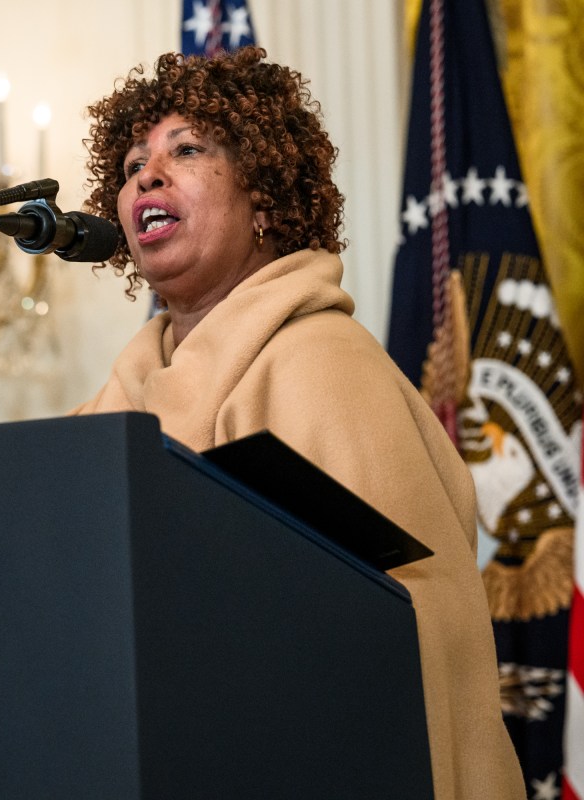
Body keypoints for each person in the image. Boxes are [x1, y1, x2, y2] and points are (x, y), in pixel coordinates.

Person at [72, 48, 522, 799]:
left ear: (267, 200)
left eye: (186, 150)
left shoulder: (322, 364)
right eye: (130, 165)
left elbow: (385, 641)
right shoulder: (127, 389)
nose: (145, 176)